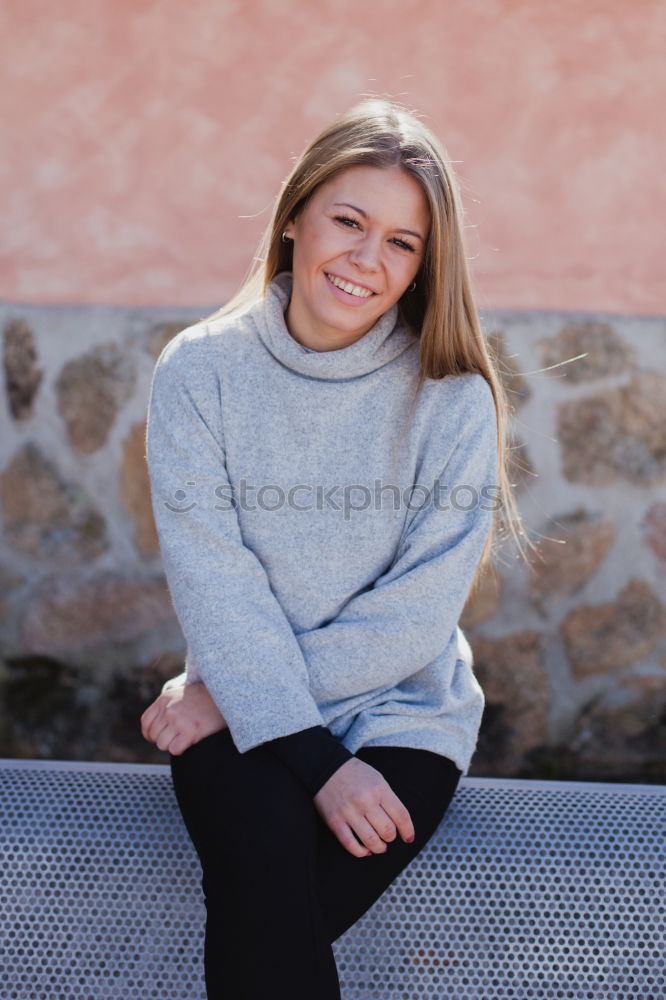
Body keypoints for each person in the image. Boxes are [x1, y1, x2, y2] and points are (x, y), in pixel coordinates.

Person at [140, 98, 532, 1000]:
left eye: (402, 242)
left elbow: (418, 613)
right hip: (243, 703)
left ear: (426, 265)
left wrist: (227, 700)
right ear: (293, 218)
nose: (367, 259)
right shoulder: (201, 371)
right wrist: (313, 756)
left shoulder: (452, 398)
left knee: (268, 917)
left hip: (400, 714)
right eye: (348, 222)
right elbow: (215, 578)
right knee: (270, 903)